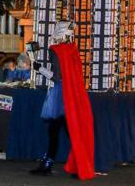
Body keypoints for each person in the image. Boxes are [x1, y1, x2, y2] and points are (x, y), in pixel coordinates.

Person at [30, 21, 95, 180]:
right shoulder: (72, 49)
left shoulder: (56, 50)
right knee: (69, 131)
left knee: (56, 131)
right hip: (72, 93)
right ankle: (77, 165)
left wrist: (39, 69)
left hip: (61, 94)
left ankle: (48, 164)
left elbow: (57, 76)